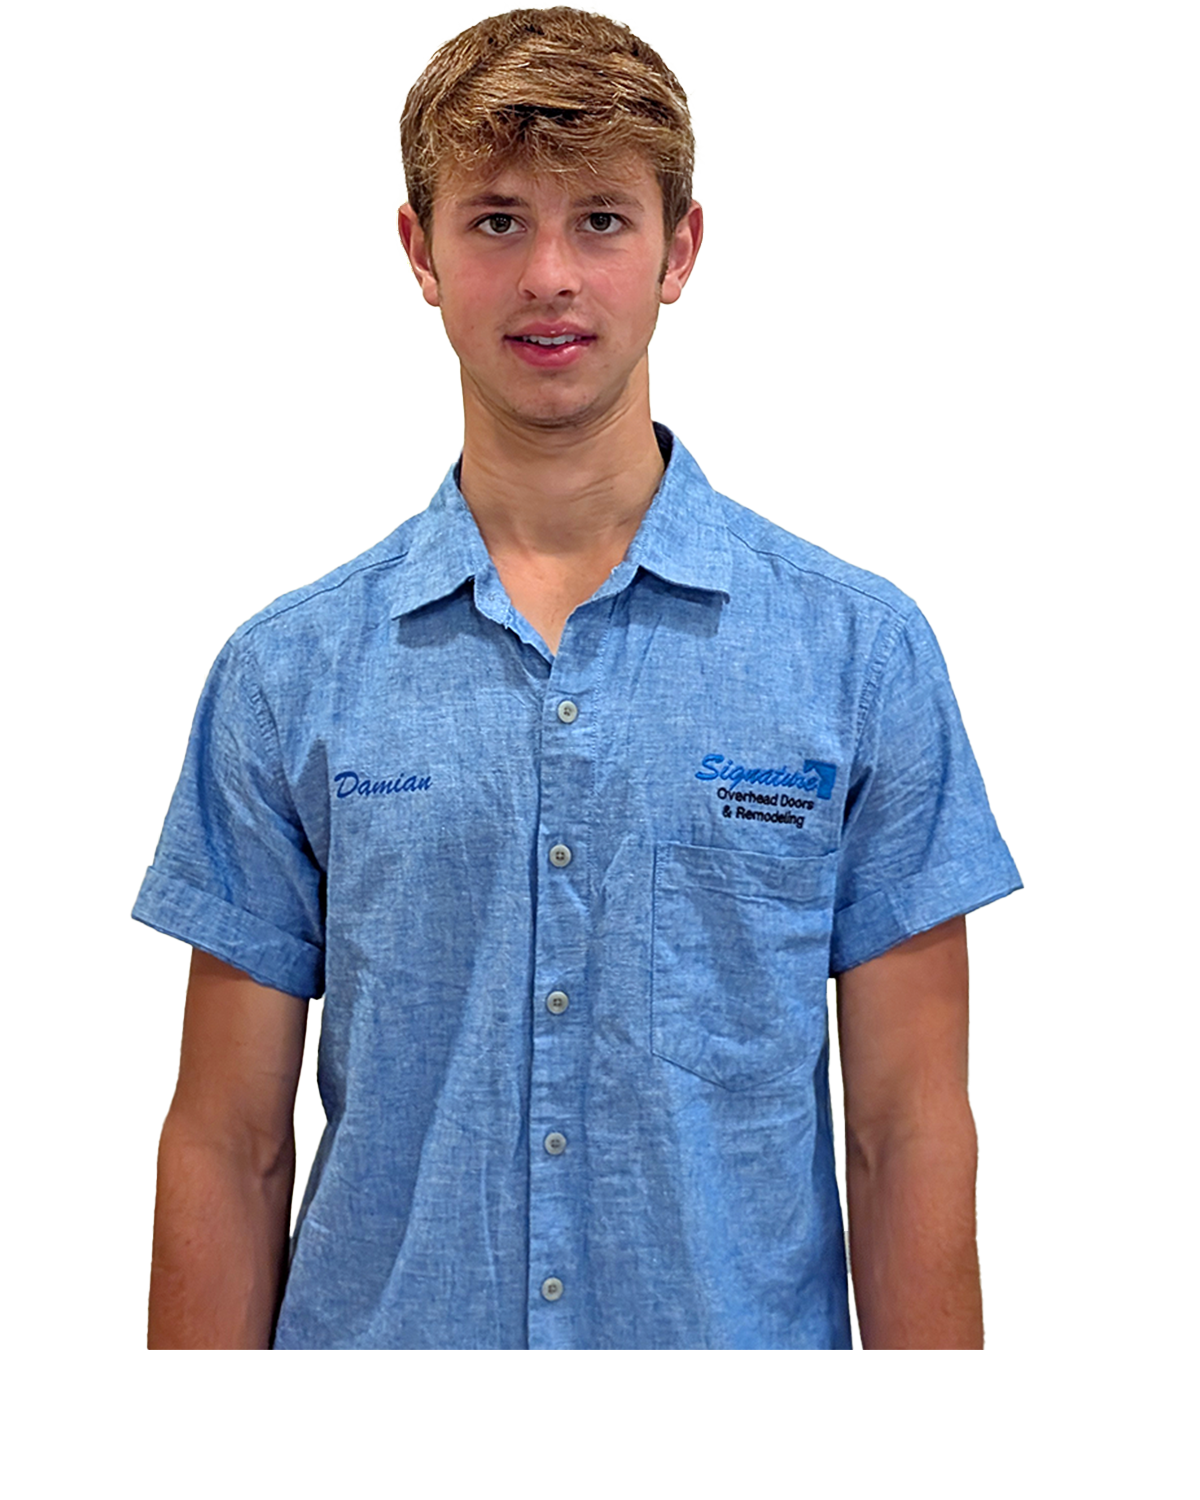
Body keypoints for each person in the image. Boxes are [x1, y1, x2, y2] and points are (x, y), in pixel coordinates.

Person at [133, 3, 1022, 1350]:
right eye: (496, 219)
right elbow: (227, 1140)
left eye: (600, 219)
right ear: (418, 250)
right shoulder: (288, 676)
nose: (550, 273)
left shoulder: (858, 655)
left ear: (682, 248)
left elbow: (906, 1132)